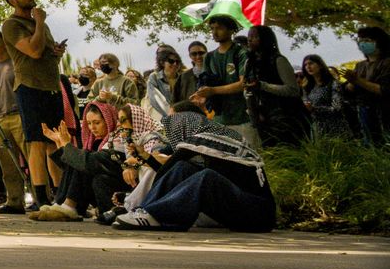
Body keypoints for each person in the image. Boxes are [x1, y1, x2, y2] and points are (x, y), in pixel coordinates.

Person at [114, 108, 276, 232]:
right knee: (184, 168)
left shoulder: (208, 138)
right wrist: (146, 157)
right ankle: (144, 212)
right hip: (240, 209)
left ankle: (155, 215)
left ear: (183, 124)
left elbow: (168, 168)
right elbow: (173, 171)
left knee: (206, 177)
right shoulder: (211, 140)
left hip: (259, 216)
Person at [1, 0, 66, 209]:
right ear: (13, 1)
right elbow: (34, 51)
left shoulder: (42, 26)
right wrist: (39, 22)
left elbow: (45, 52)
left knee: (55, 142)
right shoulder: (11, 25)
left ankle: (60, 194)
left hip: (51, 86)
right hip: (30, 88)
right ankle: (41, 197)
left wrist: (56, 52)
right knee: (36, 143)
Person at [33, 101, 127, 221]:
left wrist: (66, 144)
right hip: (98, 189)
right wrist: (60, 143)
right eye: (89, 123)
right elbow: (70, 167)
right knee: (80, 158)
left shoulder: (118, 142)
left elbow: (88, 162)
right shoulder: (94, 142)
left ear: (109, 121)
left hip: (116, 192)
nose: (92, 128)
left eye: (97, 123)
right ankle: (61, 204)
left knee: (83, 160)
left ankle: (69, 207)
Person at [0, 30, 28, 214]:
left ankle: (42, 196)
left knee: (30, 158)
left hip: (18, 115)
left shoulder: (17, 63)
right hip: (0, 118)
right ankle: (14, 200)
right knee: (6, 163)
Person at [242, 25, 310, 148]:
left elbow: (293, 90)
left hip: (287, 117)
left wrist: (263, 86)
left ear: (265, 39)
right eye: (249, 37)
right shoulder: (249, 63)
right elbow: (247, 90)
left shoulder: (278, 60)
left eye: (255, 36)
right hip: (264, 118)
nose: (250, 40)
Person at [193, 15, 256, 146]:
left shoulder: (241, 53)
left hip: (242, 117)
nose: (215, 32)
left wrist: (213, 91)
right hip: (219, 119)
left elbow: (243, 84)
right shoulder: (209, 57)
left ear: (231, 30)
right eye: (212, 28)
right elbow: (206, 83)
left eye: (219, 28)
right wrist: (201, 96)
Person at [341, 26, 388, 145]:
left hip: (383, 113)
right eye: (360, 41)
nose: (362, 44)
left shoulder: (387, 62)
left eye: (367, 40)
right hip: (363, 112)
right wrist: (351, 82)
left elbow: (384, 90)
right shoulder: (360, 65)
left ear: (379, 41)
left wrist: (358, 80)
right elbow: (349, 90)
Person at [300, 55, 346, 137]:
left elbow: (337, 108)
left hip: (336, 127)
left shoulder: (333, 83)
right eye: (305, 65)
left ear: (320, 65)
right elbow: (305, 104)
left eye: (311, 63)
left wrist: (314, 109)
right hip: (317, 129)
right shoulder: (306, 87)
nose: (308, 67)